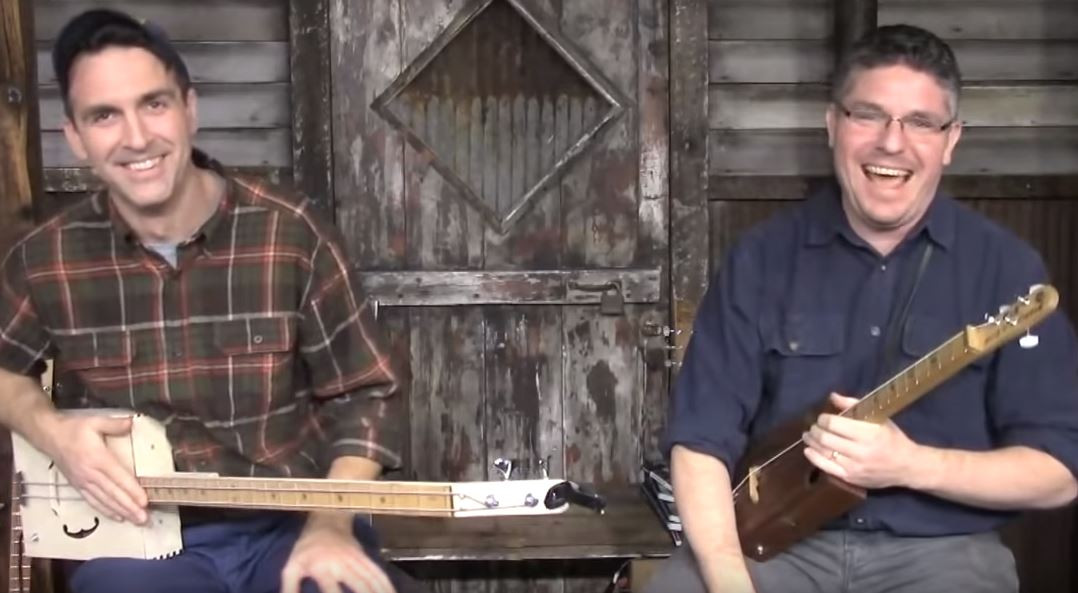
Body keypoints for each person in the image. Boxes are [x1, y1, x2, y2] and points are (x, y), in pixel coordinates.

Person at [644, 24, 1078, 593]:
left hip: (942, 555)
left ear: (951, 140)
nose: (891, 143)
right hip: (776, 546)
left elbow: (1059, 472)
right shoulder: (762, 259)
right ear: (833, 125)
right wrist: (729, 578)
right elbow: (700, 441)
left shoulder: (1007, 268)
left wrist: (911, 464)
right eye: (868, 115)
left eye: (920, 122)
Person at [0, 9, 415, 593]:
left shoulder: (289, 232)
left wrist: (329, 524)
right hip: (137, 542)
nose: (136, 137)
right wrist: (51, 433)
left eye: (154, 104)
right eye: (104, 116)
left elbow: (369, 390)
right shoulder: (47, 257)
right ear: (75, 137)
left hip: (292, 526)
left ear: (190, 109)